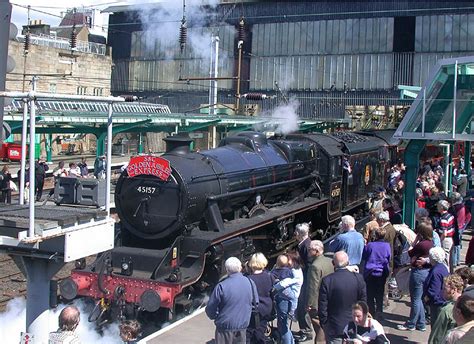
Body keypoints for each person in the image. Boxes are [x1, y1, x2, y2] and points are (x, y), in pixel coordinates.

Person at [206, 257, 257, 344]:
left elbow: (211, 308)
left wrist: (216, 316)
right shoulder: (250, 282)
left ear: (227, 270)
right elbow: (255, 303)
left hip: (224, 327)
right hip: (242, 326)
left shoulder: (221, 286)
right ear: (240, 267)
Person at [318, 251, 367, 344]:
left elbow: (322, 306)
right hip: (354, 325)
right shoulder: (358, 278)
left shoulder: (327, 281)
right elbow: (363, 302)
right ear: (348, 263)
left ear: (333, 264)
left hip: (334, 326)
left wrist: (324, 324)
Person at [397, 222, 434, 331]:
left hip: (418, 273)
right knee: (420, 299)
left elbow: (409, 252)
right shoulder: (430, 243)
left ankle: (411, 323)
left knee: (415, 299)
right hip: (426, 272)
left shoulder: (421, 244)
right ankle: (421, 323)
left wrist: (414, 242)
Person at [272, 253, 303, 344]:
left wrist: (277, 286)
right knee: (282, 324)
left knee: (282, 324)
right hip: (286, 298)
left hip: (285, 300)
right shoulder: (292, 270)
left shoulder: (294, 272)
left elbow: (284, 282)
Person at [306, 240, 334, 343]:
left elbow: (313, 287)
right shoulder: (329, 261)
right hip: (329, 299)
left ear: (317, 251)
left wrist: (310, 305)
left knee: (319, 327)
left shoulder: (315, 266)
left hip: (318, 302)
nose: (308, 252)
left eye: (310, 250)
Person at [246, 252, 275, 344]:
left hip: (253, 310)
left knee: (249, 334)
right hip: (267, 308)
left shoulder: (248, 279)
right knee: (261, 332)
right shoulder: (270, 276)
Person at [362, 227, 391, 319]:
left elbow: (364, 256)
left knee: (370, 294)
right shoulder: (387, 246)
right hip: (381, 272)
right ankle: (379, 312)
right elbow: (388, 258)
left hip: (370, 272)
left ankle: (371, 313)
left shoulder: (370, 245)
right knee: (380, 293)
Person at [428, 274, 464, 344]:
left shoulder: (446, 310)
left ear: (454, 290)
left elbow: (437, 336)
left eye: (444, 288)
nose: (442, 291)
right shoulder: (467, 305)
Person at [294, 223, 313, 342]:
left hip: (305, 280)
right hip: (303, 278)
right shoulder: (304, 244)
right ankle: (304, 329)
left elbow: (309, 265)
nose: (294, 234)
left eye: (296, 232)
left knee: (302, 306)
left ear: (300, 234)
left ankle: (307, 331)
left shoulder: (306, 246)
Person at [422, 247, 449, 325]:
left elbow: (434, 290)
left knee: (435, 326)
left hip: (437, 304)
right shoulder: (443, 267)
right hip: (442, 301)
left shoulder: (436, 271)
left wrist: (427, 298)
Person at [436, 200, 455, 269]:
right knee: (450, 260)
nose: (437, 207)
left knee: (445, 259)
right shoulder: (450, 216)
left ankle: (446, 275)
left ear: (441, 207)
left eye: (438, 206)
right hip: (451, 239)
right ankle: (451, 273)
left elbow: (444, 233)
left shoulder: (443, 219)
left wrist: (439, 240)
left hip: (445, 240)